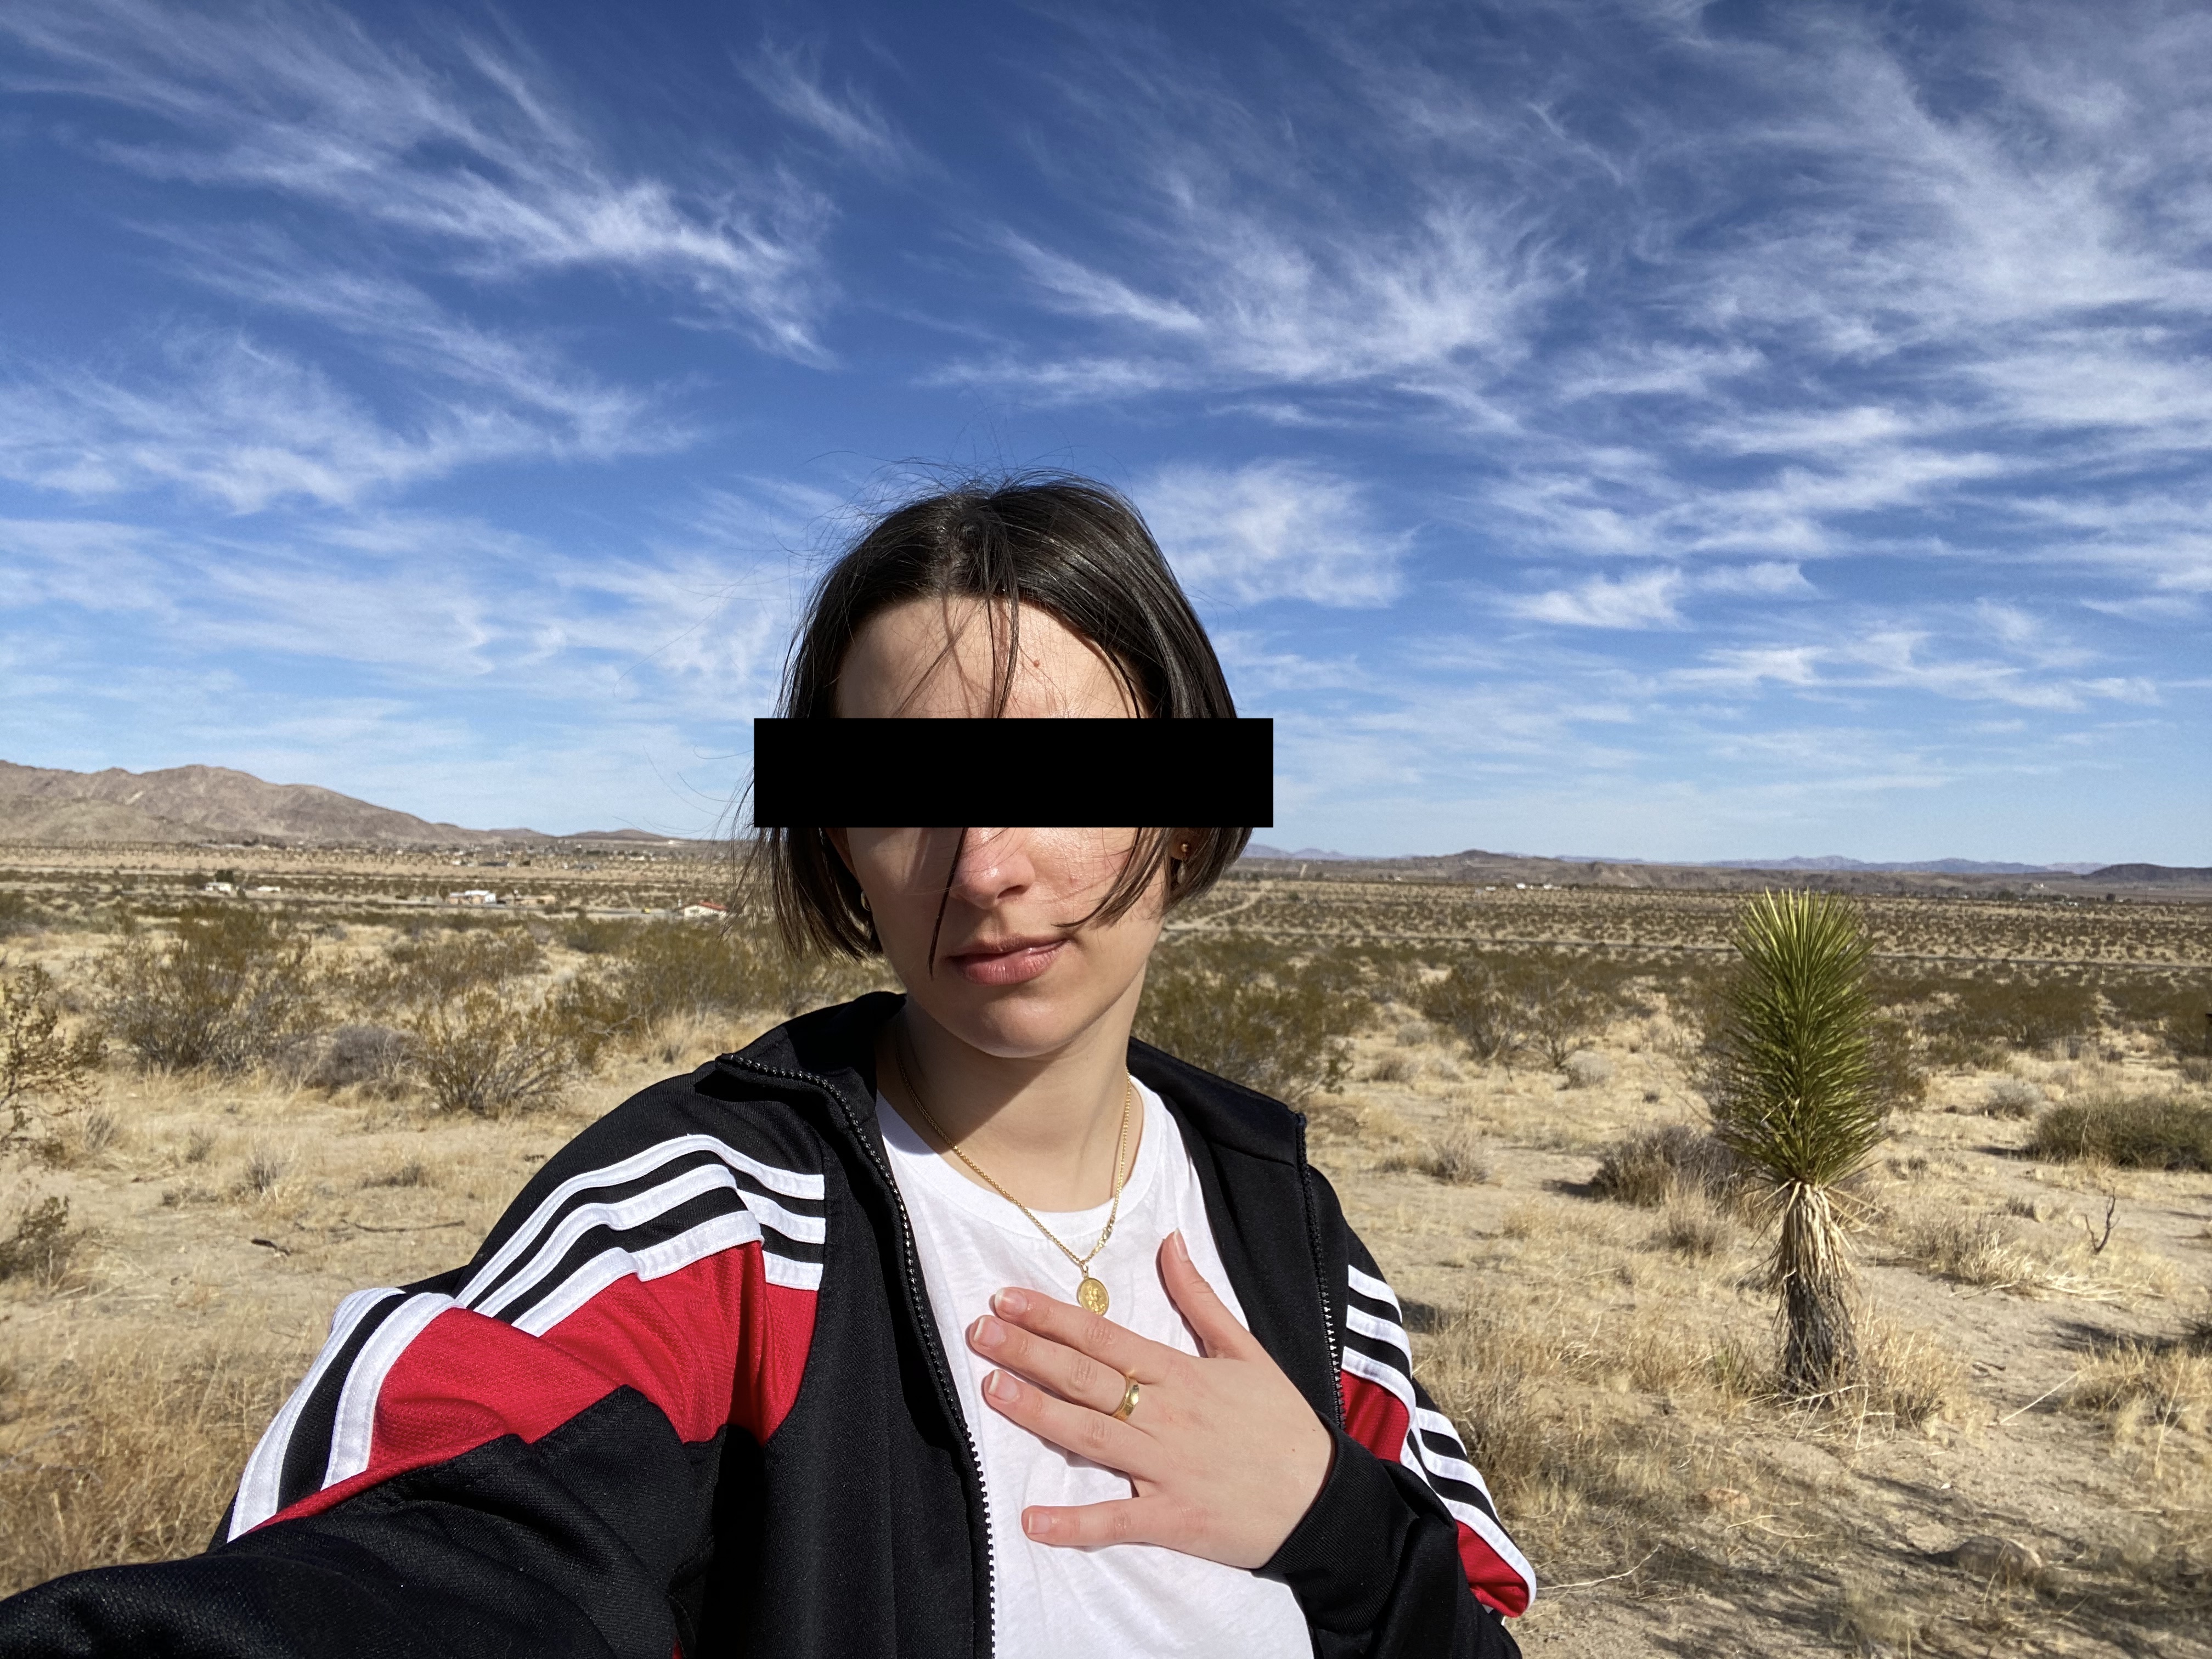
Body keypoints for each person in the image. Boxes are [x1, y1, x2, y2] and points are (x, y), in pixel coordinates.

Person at [0, 477, 1531, 1658]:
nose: (983, 865)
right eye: (902, 792)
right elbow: (435, 1544)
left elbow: (1463, 1624)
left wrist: (1335, 1521)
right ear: (842, 851)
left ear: (1188, 816)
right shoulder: (705, 1220)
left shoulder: (1293, 1238)